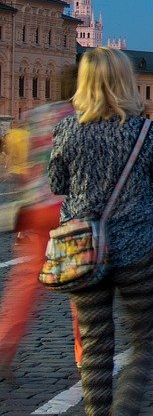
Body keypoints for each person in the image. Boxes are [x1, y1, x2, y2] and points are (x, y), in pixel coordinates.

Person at [47, 47, 153, 416]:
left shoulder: (67, 130)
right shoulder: (147, 132)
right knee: (142, 340)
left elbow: (57, 183)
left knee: (95, 344)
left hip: (84, 248)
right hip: (136, 247)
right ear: (125, 83)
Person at [0, 65, 77, 373]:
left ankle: (4, 342)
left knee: (25, 284)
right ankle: (86, 356)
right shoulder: (81, 120)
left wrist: (25, 201)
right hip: (69, 210)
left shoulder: (36, 116)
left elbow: (21, 169)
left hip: (35, 210)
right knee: (83, 285)